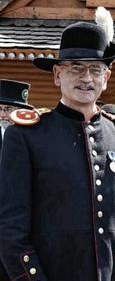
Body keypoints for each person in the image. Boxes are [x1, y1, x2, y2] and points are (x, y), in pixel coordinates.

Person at [0, 8, 115, 281]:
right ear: (57, 75)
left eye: (95, 69)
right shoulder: (26, 136)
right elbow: (10, 231)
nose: (86, 78)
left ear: (107, 77)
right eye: (76, 68)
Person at [0, 79, 33, 281]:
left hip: (20, 231)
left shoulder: (31, 140)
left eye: (10, 109)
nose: (4, 114)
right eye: (1, 108)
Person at [0, 79, 32, 154]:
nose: (2, 115)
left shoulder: (31, 137)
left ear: (21, 111)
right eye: (0, 109)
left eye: (8, 109)